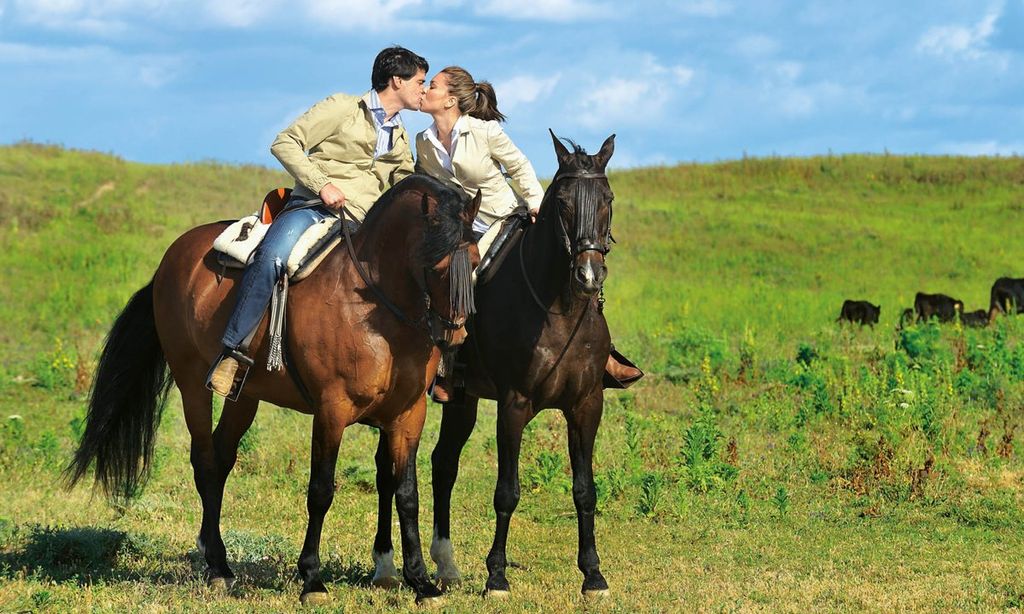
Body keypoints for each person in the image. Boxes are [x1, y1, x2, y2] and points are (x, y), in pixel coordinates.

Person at [207, 46, 428, 397]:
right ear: (396, 81)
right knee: (273, 257)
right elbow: (286, 143)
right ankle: (233, 353)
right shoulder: (342, 106)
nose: (424, 90)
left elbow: (404, 185)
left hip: (363, 223)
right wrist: (322, 184)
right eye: (419, 81)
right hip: (313, 208)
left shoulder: (400, 136)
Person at [414, 66, 642, 402]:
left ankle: (601, 355)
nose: (424, 90)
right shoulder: (424, 140)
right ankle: (447, 363)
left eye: (431, 85)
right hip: (459, 226)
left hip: (499, 218)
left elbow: (519, 166)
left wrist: (536, 204)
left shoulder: (484, 132)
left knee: (551, 267)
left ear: (450, 100)